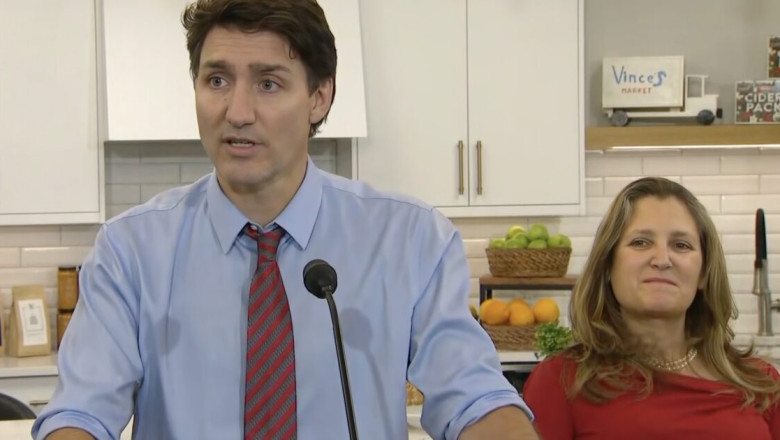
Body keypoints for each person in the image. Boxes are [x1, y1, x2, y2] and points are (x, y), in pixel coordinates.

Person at [32, 0, 538, 439]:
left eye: (269, 83)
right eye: (217, 80)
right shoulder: (131, 251)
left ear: (320, 97)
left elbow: (473, 397)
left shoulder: (410, 240)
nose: (237, 111)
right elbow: (81, 413)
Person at [523, 176, 780, 440]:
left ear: (704, 273)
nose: (662, 260)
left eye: (681, 245)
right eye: (641, 242)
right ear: (608, 266)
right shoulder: (561, 382)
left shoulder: (761, 382)